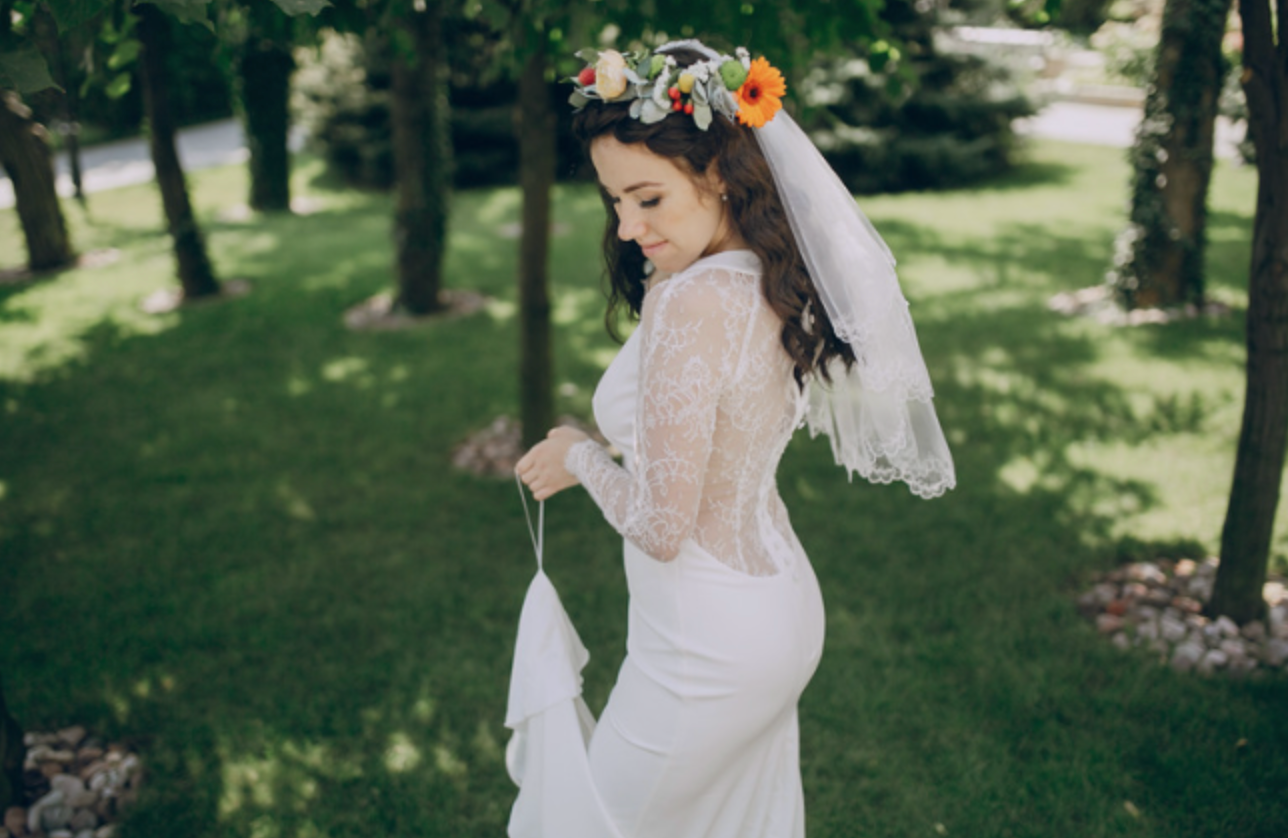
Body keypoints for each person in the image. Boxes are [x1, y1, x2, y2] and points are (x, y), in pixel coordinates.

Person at [514, 38, 954, 838]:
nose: (627, 225)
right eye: (615, 201)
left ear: (716, 173)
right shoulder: (765, 273)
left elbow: (660, 526)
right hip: (776, 604)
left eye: (648, 199)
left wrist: (578, 451)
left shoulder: (689, 304)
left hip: (703, 650)